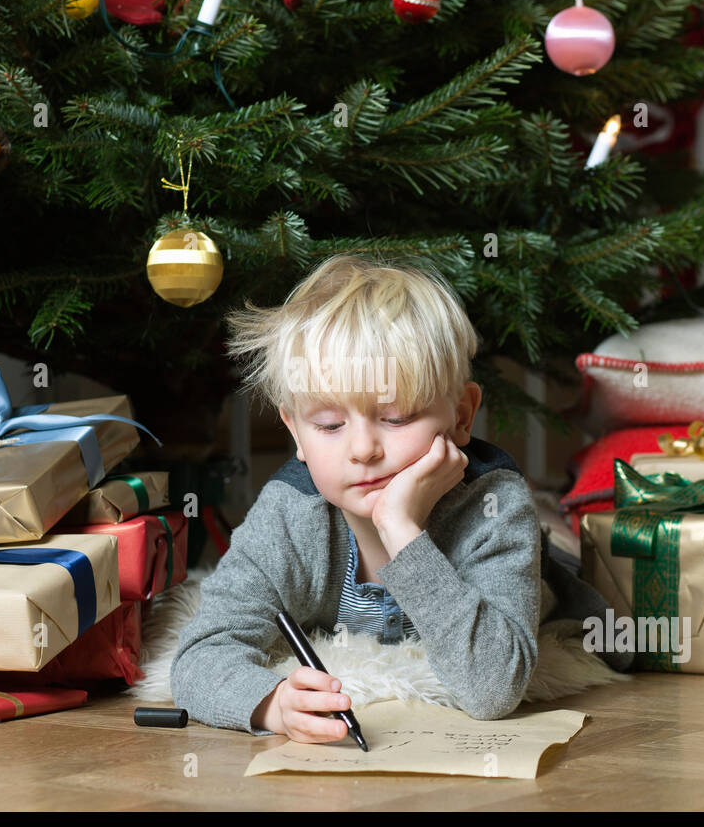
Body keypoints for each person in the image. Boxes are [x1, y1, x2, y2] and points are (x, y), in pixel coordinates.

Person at [170, 253, 544, 742]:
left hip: (528, 562)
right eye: (329, 425)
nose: (363, 449)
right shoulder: (290, 515)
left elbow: (494, 688)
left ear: (461, 415)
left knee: (557, 565)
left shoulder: (494, 506)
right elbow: (199, 655)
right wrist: (270, 704)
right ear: (297, 434)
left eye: (396, 418)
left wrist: (402, 531)